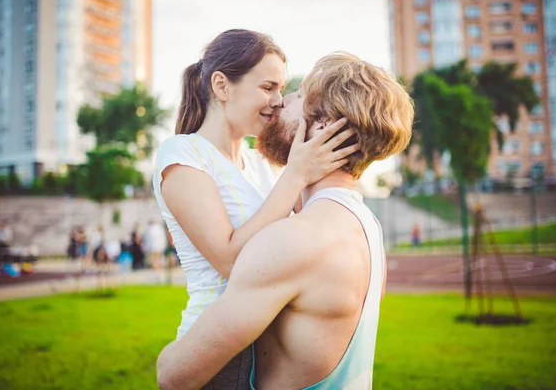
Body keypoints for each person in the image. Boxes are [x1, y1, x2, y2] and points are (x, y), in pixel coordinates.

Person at [156, 52, 414, 389]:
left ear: (324, 128)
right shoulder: (366, 226)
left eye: (298, 95)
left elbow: (174, 376)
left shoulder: (292, 241)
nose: (281, 103)